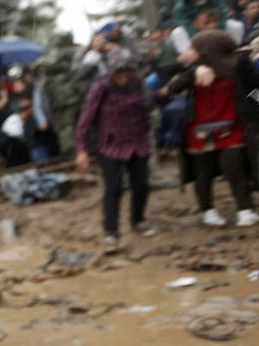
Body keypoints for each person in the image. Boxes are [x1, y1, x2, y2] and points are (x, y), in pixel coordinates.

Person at [167, 30, 259, 226]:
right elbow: (172, 89)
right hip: (200, 129)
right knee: (203, 171)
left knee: (234, 168)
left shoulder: (239, 63)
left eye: (195, 48)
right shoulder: (194, 68)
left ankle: (245, 208)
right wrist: (192, 73)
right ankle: (207, 209)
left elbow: (253, 88)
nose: (192, 51)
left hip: (232, 125)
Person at [75, 50, 155, 253]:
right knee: (114, 188)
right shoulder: (101, 88)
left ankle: (138, 220)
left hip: (138, 141)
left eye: (127, 74)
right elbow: (86, 118)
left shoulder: (139, 85)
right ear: (110, 74)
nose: (123, 79)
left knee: (142, 185)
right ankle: (111, 232)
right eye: (119, 75)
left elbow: (150, 104)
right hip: (110, 144)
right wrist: (81, 149)